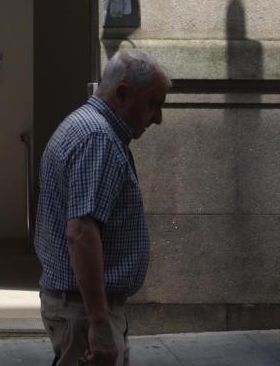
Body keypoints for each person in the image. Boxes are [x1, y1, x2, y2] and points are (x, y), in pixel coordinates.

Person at [34, 49, 170, 366]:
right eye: (154, 104)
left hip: (81, 308)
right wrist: (98, 322)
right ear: (123, 93)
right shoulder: (98, 138)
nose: (159, 118)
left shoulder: (86, 127)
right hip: (85, 312)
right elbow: (81, 232)